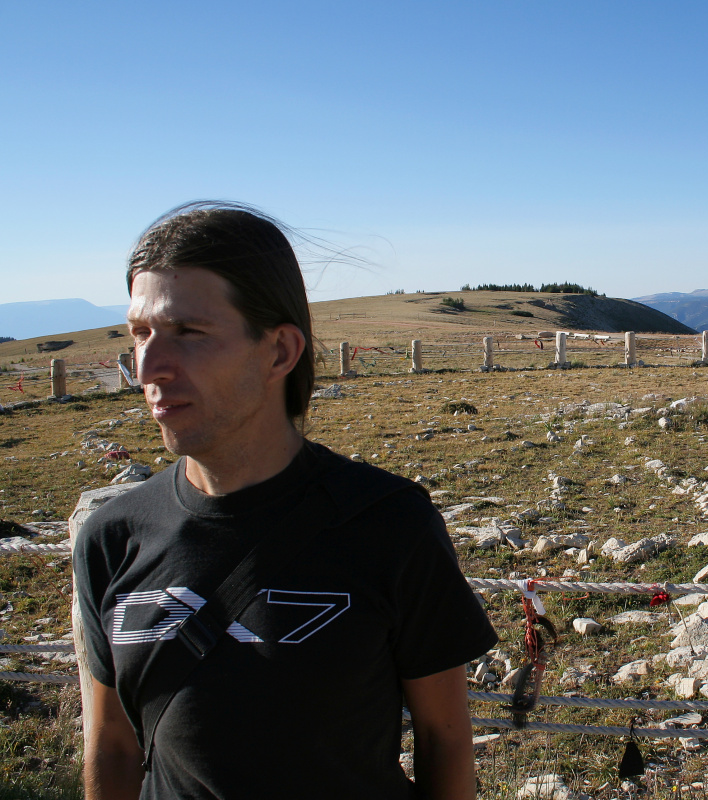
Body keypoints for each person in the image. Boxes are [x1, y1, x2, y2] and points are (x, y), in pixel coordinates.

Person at [74, 202, 497, 800]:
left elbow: (444, 740)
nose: (148, 367)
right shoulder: (112, 537)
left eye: (188, 333)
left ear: (279, 351)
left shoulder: (388, 522)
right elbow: (113, 744)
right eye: (139, 333)